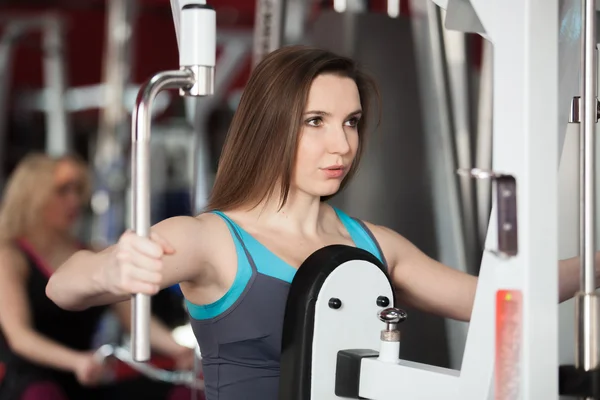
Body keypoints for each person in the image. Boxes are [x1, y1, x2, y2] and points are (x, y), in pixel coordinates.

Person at [46, 46, 593, 400]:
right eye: (316, 122)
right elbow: (63, 285)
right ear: (270, 128)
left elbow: (497, 299)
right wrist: (109, 271)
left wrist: (594, 263)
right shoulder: (213, 240)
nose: (343, 144)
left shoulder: (372, 243)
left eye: (351, 122)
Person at [0, 153, 198, 400]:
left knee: (181, 390)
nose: (74, 200)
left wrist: (179, 350)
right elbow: (19, 337)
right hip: (33, 380)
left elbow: (135, 321)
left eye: (77, 190)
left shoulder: (91, 253)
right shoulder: (10, 255)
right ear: (32, 196)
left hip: (88, 376)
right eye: (62, 191)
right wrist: (76, 362)